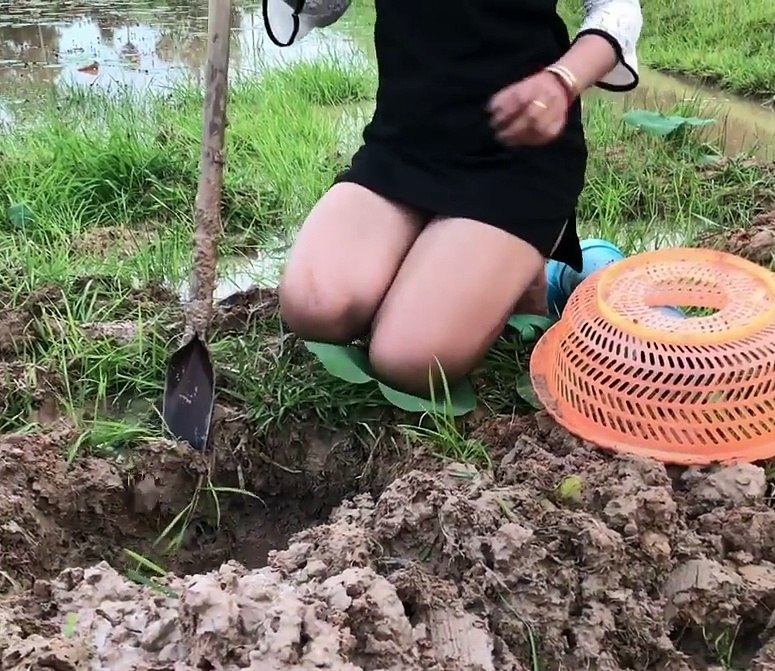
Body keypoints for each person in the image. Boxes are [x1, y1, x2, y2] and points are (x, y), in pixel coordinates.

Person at [275, 0, 643, 397]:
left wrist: (563, 80)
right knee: (313, 307)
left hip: (514, 155)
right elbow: (323, 6)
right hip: (405, 142)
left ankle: (546, 277)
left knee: (410, 359)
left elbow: (617, 11)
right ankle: (477, 271)